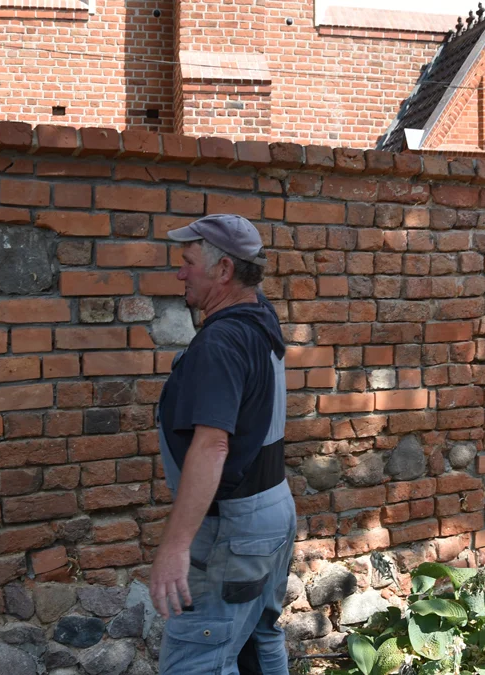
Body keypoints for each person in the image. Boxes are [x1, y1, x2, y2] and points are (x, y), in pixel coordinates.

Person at [151, 214, 295, 675]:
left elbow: (212, 446)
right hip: (273, 512)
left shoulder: (222, 342)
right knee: (258, 640)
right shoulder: (259, 316)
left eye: (188, 262)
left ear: (224, 271)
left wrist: (175, 546)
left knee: (198, 659)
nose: (180, 273)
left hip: (235, 531)